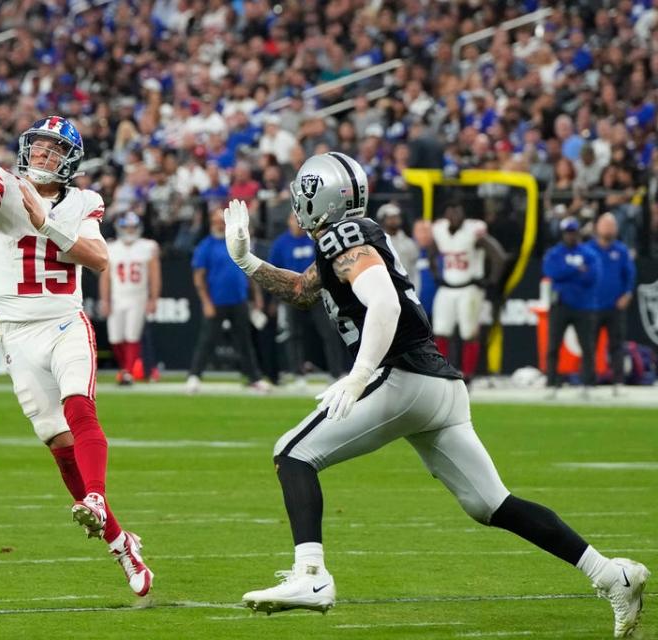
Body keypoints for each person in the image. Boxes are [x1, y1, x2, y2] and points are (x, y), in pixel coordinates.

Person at [221, 153, 649, 637]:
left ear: (321, 197)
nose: (298, 202)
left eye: (304, 192)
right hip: (440, 385)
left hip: (401, 376)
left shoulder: (346, 237)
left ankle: (312, 576)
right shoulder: (346, 238)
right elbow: (302, 290)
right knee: (493, 504)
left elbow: (381, 300)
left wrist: (361, 374)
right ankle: (613, 575)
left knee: (292, 454)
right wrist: (247, 261)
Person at [0, 117, 153, 595]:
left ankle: (97, 498)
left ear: (70, 161)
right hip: (16, 333)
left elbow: (99, 259)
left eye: (52, 150)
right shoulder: (5, 184)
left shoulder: (84, 201)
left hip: (64, 321)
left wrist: (46, 225)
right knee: (59, 445)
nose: (41, 156)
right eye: (37, 147)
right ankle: (121, 544)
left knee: (80, 408)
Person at [187, 206, 270, 394]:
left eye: (221, 220)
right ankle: (194, 375)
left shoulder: (235, 242)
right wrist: (206, 302)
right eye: (216, 220)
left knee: (244, 342)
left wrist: (256, 296)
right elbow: (199, 277)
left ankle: (254, 377)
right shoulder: (205, 246)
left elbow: (249, 270)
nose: (219, 223)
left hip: (239, 299)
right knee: (207, 340)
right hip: (216, 300)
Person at [429, 200, 506, 382]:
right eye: (451, 212)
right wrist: (435, 274)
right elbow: (432, 252)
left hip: (469, 287)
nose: (454, 216)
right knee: (440, 331)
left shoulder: (473, 231)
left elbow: (498, 256)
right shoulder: (440, 230)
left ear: (464, 214)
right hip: (447, 287)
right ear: (446, 215)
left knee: (469, 332)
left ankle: (468, 374)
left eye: (458, 212)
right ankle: (442, 371)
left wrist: (491, 281)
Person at [268, 212, 345, 388]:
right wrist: (277, 297)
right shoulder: (281, 243)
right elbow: (274, 271)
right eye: (294, 219)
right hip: (292, 295)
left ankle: (335, 373)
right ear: (288, 221)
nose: (298, 223)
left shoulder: (314, 238)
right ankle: (297, 374)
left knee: (329, 332)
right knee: (294, 334)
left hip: (318, 294)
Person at [99, 212, 161, 385]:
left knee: (132, 335)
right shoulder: (111, 247)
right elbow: (105, 277)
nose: (130, 230)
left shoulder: (147, 246)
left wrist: (153, 298)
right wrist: (105, 300)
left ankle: (128, 372)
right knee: (115, 338)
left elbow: (154, 275)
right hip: (117, 296)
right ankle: (125, 368)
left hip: (137, 296)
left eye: (133, 227)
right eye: (126, 227)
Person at [543, 217, 600, 397]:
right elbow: (551, 272)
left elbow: (592, 277)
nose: (570, 236)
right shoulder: (554, 253)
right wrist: (576, 269)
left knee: (588, 346)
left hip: (583, 306)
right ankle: (551, 382)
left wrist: (566, 272)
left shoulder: (588, 253)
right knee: (553, 345)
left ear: (578, 233)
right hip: (560, 305)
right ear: (563, 234)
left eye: (573, 232)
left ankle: (588, 383)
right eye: (567, 232)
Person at [584, 213, 636, 395]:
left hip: (615, 306)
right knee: (589, 345)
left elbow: (629, 275)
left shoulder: (621, 251)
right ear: (597, 227)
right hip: (592, 306)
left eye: (611, 225)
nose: (608, 229)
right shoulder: (587, 249)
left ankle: (618, 382)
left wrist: (627, 294)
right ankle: (588, 382)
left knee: (617, 345)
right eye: (605, 225)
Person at [376, 202, 419, 290]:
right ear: (383, 220)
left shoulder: (409, 243)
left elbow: (414, 269)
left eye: (396, 217)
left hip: (405, 288)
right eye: (390, 217)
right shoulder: (377, 242)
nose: (394, 220)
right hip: (384, 288)